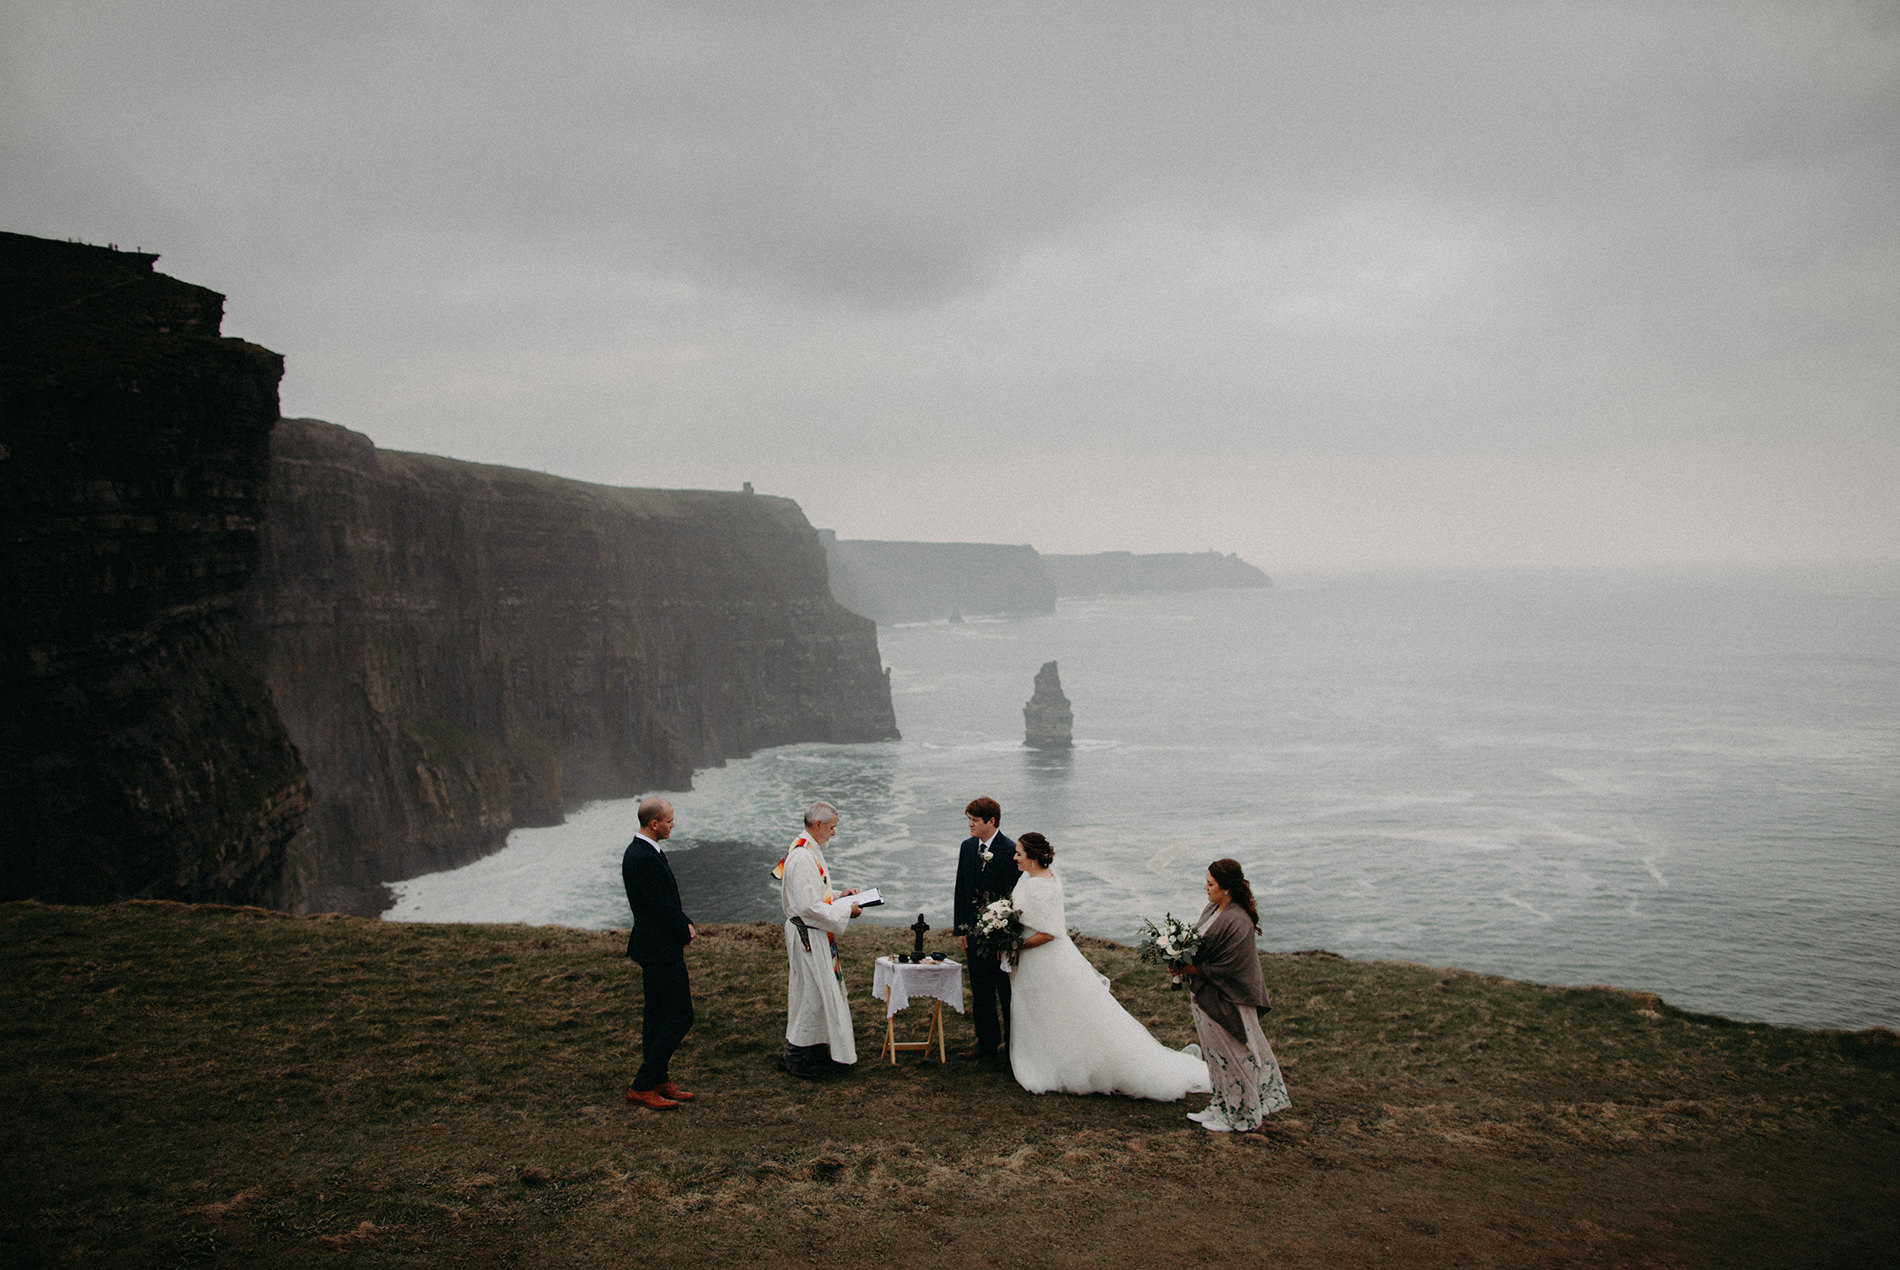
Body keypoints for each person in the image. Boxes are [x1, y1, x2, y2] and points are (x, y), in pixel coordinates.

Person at [1005, 832, 1211, 1099]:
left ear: (1033, 857)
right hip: (1032, 959)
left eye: (1019, 853)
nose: (1015, 857)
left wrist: (1015, 945)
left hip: (1045, 958)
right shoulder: (1031, 877)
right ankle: (1045, 1058)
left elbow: (1050, 932)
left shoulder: (1042, 885)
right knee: (1041, 1011)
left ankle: (1063, 1067)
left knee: (1058, 1011)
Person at [1177, 858, 1290, 1132]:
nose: (1205, 888)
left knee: (1235, 1057)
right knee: (1214, 1055)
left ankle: (1240, 1115)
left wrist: (1192, 967)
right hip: (1205, 994)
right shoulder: (1213, 908)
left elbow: (1232, 967)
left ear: (1226, 888)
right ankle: (1220, 1105)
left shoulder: (1239, 920)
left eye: (1210, 884)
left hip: (1229, 999)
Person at [775, 800, 863, 1078]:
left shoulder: (808, 848)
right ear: (817, 825)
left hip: (815, 934)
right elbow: (807, 906)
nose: (834, 833)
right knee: (811, 995)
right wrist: (846, 911)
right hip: (808, 935)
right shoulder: (801, 857)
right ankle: (794, 1056)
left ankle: (817, 1049)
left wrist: (839, 895)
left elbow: (815, 892)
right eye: (832, 828)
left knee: (820, 992)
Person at [621, 797, 697, 1110]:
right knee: (681, 1016)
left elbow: (663, 904)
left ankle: (659, 1079)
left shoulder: (641, 851)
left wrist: (684, 921)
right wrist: (685, 929)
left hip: (652, 946)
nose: (673, 824)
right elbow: (660, 907)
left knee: (656, 1016)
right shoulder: (644, 858)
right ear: (654, 824)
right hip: (661, 948)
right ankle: (642, 1084)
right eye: (669, 820)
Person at [952, 796, 1020, 1060]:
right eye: (969, 820)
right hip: (973, 934)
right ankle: (986, 1042)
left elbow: (1013, 898)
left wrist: (1006, 936)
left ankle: (1012, 1048)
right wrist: (961, 930)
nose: (970, 825)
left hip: (1000, 937)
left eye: (974, 821)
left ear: (991, 822)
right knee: (980, 989)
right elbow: (961, 889)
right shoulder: (967, 847)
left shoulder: (1010, 850)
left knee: (1005, 992)